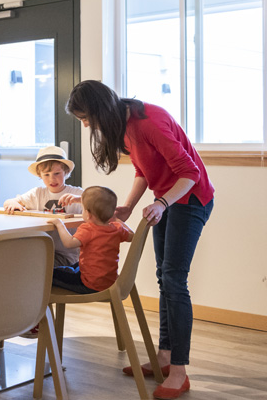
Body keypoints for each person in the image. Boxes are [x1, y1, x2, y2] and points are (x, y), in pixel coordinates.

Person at [66, 80, 214, 400]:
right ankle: (163, 356)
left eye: (85, 118)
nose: (87, 125)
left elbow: (190, 174)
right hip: (168, 200)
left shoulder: (149, 121)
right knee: (165, 278)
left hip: (191, 199)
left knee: (174, 280)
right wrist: (130, 205)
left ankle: (179, 371)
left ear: (98, 109)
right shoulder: (124, 126)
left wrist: (161, 203)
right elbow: (143, 168)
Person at [3, 145, 84, 267]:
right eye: (46, 175)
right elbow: (9, 202)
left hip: (67, 255)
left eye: (57, 173)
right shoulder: (37, 193)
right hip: (41, 250)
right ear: (40, 175)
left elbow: (100, 204)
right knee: (13, 259)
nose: (52, 179)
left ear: (66, 172)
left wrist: (79, 200)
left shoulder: (76, 193)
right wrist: (13, 204)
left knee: (36, 265)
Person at [47, 186, 134, 294]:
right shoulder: (117, 229)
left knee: (48, 274)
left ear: (87, 214)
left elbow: (69, 243)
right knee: (76, 265)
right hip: (108, 281)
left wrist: (59, 224)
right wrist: (116, 219)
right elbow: (132, 236)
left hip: (89, 284)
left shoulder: (88, 229)